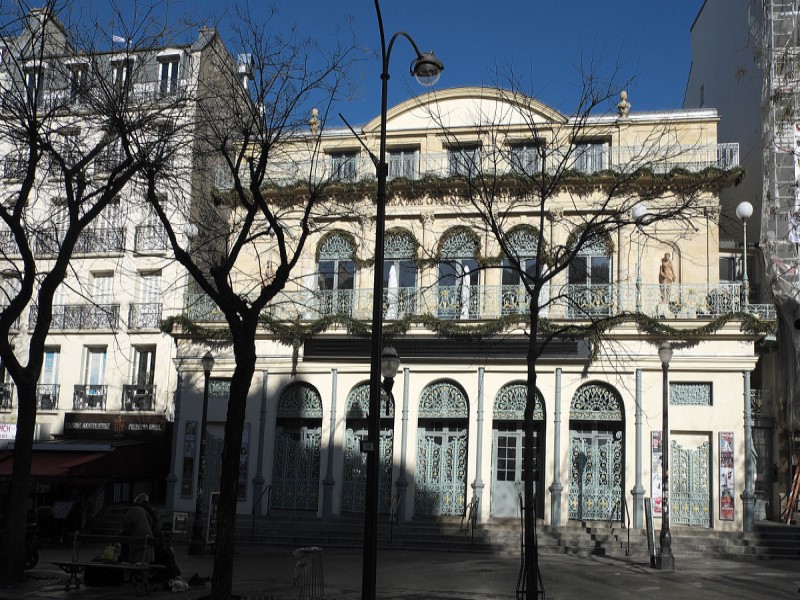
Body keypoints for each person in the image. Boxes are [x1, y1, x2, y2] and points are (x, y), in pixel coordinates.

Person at [131, 494, 181, 582]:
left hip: (147, 547)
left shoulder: (137, 511)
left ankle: (171, 574)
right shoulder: (152, 511)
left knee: (165, 555)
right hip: (153, 547)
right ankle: (174, 574)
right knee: (167, 556)